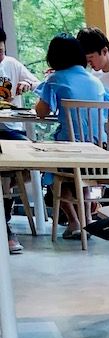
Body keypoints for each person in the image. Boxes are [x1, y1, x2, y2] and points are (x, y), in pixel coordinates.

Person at [34, 33, 109, 240]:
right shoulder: (96, 81)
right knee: (81, 177)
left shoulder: (55, 79)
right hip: (98, 150)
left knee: (53, 175)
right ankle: (86, 220)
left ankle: (74, 221)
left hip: (70, 150)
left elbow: (41, 112)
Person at [0, 28, 39, 254]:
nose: (0, 56)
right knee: (5, 166)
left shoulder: (12, 65)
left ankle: (6, 200)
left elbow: (36, 83)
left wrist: (26, 85)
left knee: (29, 159)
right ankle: (5, 224)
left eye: (1, 51)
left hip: (12, 127)